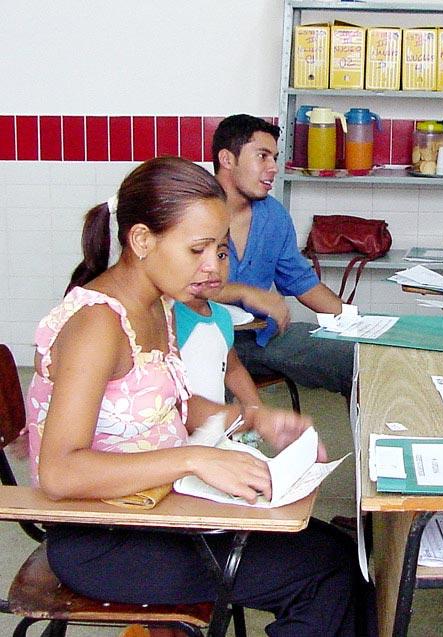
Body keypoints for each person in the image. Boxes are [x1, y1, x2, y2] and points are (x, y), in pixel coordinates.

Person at [26, 156, 374, 637]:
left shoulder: (158, 304)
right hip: (103, 537)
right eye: (196, 249)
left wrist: (252, 416)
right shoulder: (97, 325)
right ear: (142, 240)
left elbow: (167, 403)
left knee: (338, 554)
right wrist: (194, 459)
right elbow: (59, 472)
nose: (212, 266)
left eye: (219, 248)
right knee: (327, 574)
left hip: (156, 509)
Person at [210, 114, 354, 399]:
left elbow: (303, 283)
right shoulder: (189, 212)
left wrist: (357, 324)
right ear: (227, 159)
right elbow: (175, 289)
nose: (273, 168)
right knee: (210, 390)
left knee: (357, 358)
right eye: (262, 156)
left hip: (262, 337)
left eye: (274, 158)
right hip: (202, 338)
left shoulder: (273, 215)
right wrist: (245, 293)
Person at [173, 240, 269, 446]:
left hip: (213, 438)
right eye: (197, 253)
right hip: (174, 443)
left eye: (221, 255)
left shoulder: (222, 316)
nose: (214, 267)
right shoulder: (166, 316)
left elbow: (232, 369)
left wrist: (257, 412)